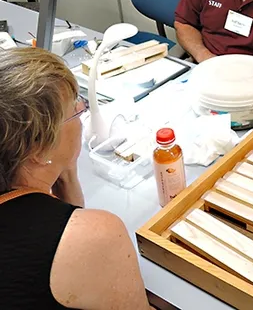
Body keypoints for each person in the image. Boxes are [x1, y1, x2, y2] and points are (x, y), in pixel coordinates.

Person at [0, 48, 151, 310]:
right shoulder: (97, 235)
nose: (82, 111)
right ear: (38, 148)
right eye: (75, 109)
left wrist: (66, 172)